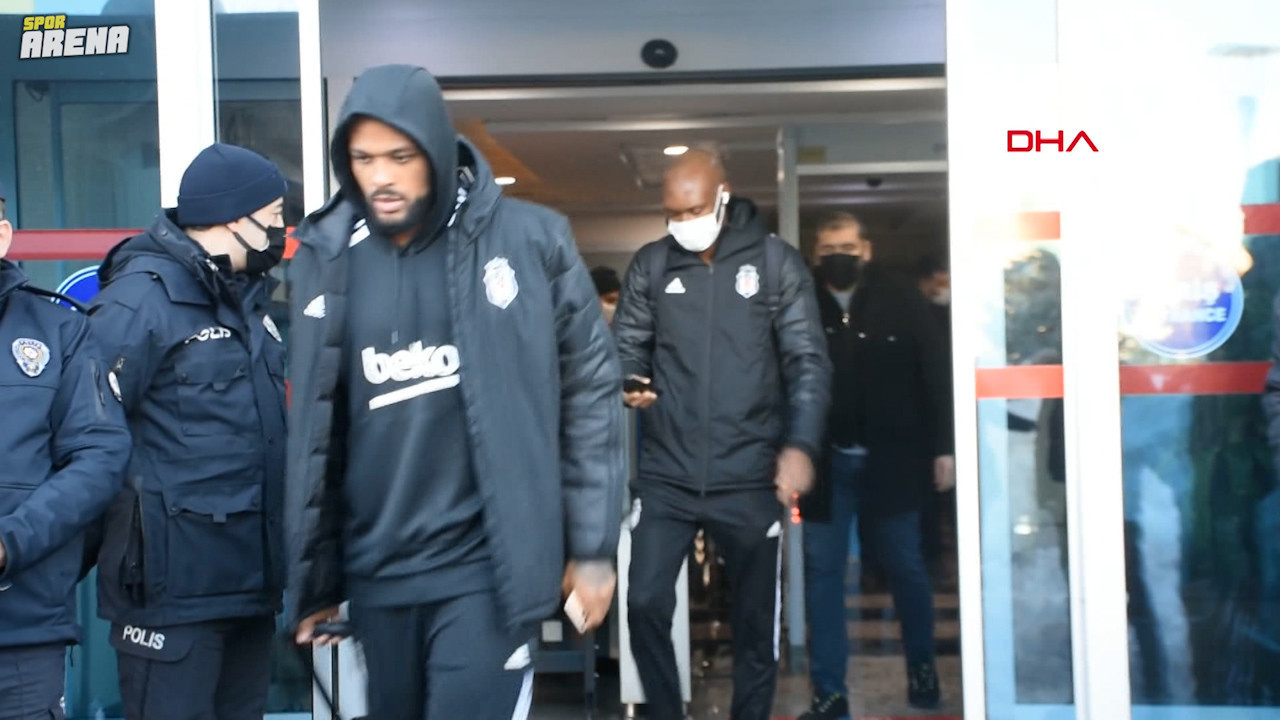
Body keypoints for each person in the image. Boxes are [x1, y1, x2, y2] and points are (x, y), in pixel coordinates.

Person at [284, 64, 625, 720]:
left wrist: (592, 549)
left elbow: (589, 397)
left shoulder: (530, 241)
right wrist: (316, 581)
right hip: (378, 575)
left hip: (485, 572)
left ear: (436, 152)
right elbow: (321, 431)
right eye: (363, 159)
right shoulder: (327, 259)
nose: (381, 177)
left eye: (400, 157)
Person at [612, 150, 832, 720]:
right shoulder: (652, 266)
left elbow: (807, 361)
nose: (683, 223)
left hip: (749, 474)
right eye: (673, 213)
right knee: (643, 602)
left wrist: (800, 446)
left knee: (756, 624)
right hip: (667, 475)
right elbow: (628, 344)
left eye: (694, 210)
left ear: (723, 198)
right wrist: (630, 379)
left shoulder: (775, 263)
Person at [88, 144, 289, 720]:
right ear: (233, 219)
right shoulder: (140, 301)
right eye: (274, 216)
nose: (281, 231)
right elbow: (84, 435)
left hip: (247, 586)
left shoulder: (247, 301)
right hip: (170, 595)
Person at [798, 212, 954, 719]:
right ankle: (829, 691)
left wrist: (943, 447)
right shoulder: (801, 300)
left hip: (893, 460)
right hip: (825, 465)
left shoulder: (900, 297)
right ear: (816, 254)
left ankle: (922, 668)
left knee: (906, 565)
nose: (837, 257)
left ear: (865, 250)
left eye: (846, 247)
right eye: (828, 250)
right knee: (822, 574)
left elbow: (934, 372)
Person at [0, 183, 131, 719]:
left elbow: (99, 456)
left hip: (21, 631)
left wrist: (9, 542)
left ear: (2, 236)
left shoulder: (60, 330)